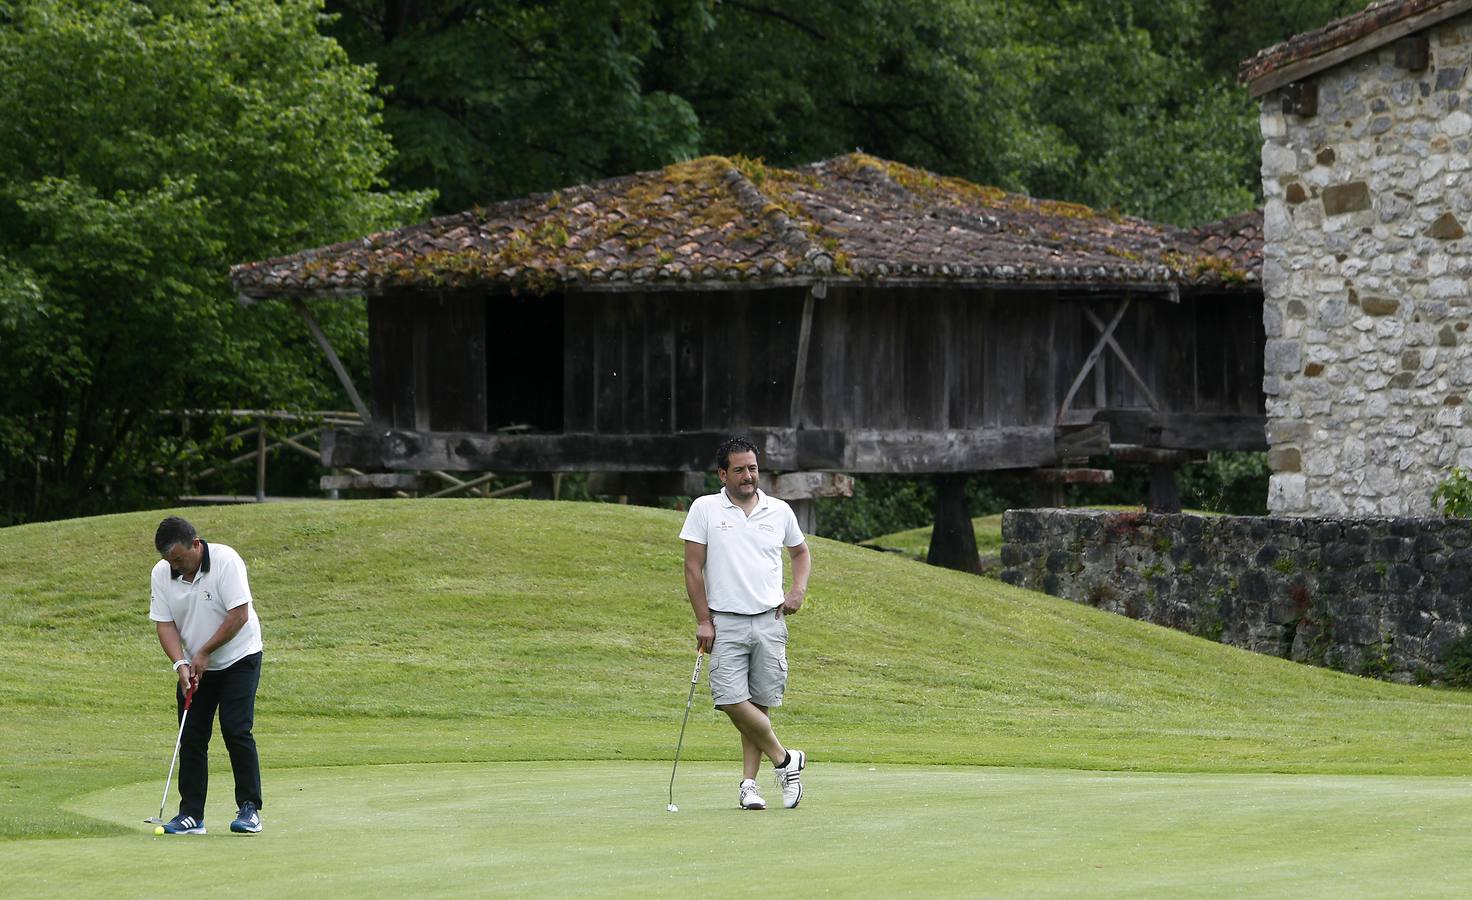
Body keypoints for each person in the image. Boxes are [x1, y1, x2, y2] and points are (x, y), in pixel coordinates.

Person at [680, 437, 812, 810]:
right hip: (725, 623)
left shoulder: (779, 510)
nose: (748, 475)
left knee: (760, 705)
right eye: (739, 469)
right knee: (729, 698)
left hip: (770, 621)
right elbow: (692, 567)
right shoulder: (705, 508)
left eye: (752, 468)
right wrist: (703, 619)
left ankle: (749, 786)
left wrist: (797, 590)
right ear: (723, 474)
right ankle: (786, 759)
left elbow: (800, 553)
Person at [148, 516, 265, 835]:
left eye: (179, 559)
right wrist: (180, 663)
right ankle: (191, 814)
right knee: (192, 735)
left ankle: (250, 809)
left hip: (240, 657)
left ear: (196, 545)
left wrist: (203, 651)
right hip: (196, 666)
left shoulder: (227, 561)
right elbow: (165, 623)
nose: (175, 566)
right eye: (169, 561)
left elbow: (239, 614)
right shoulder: (163, 573)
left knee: (236, 728)